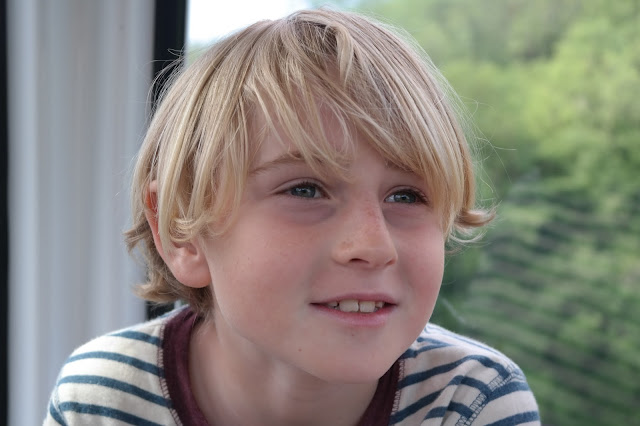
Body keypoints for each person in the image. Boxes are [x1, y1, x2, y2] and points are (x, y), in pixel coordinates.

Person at [44, 8, 540, 426]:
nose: (373, 245)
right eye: (305, 189)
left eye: (407, 196)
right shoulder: (103, 399)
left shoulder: (472, 402)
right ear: (182, 232)